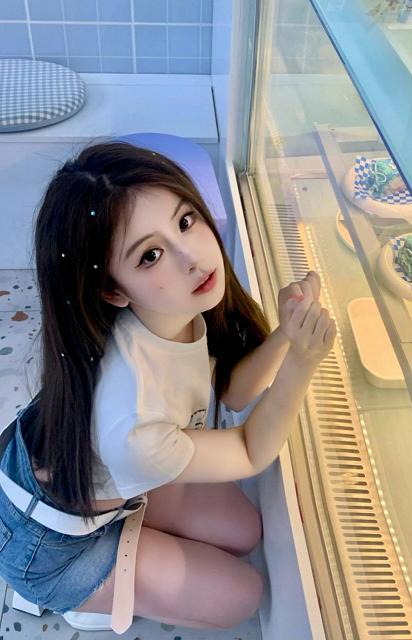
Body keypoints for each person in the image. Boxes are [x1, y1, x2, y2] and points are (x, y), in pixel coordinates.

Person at [0, 141, 336, 633]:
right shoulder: (132, 421)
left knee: (245, 530)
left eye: (185, 221)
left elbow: (233, 392)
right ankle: (85, 600)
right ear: (112, 290)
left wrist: (287, 333)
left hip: (88, 477)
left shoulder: (165, 312)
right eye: (150, 255)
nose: (192, 258)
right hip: (50, 546)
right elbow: (249, 450)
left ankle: (131, 529)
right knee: (242, 596)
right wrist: (302, 361)